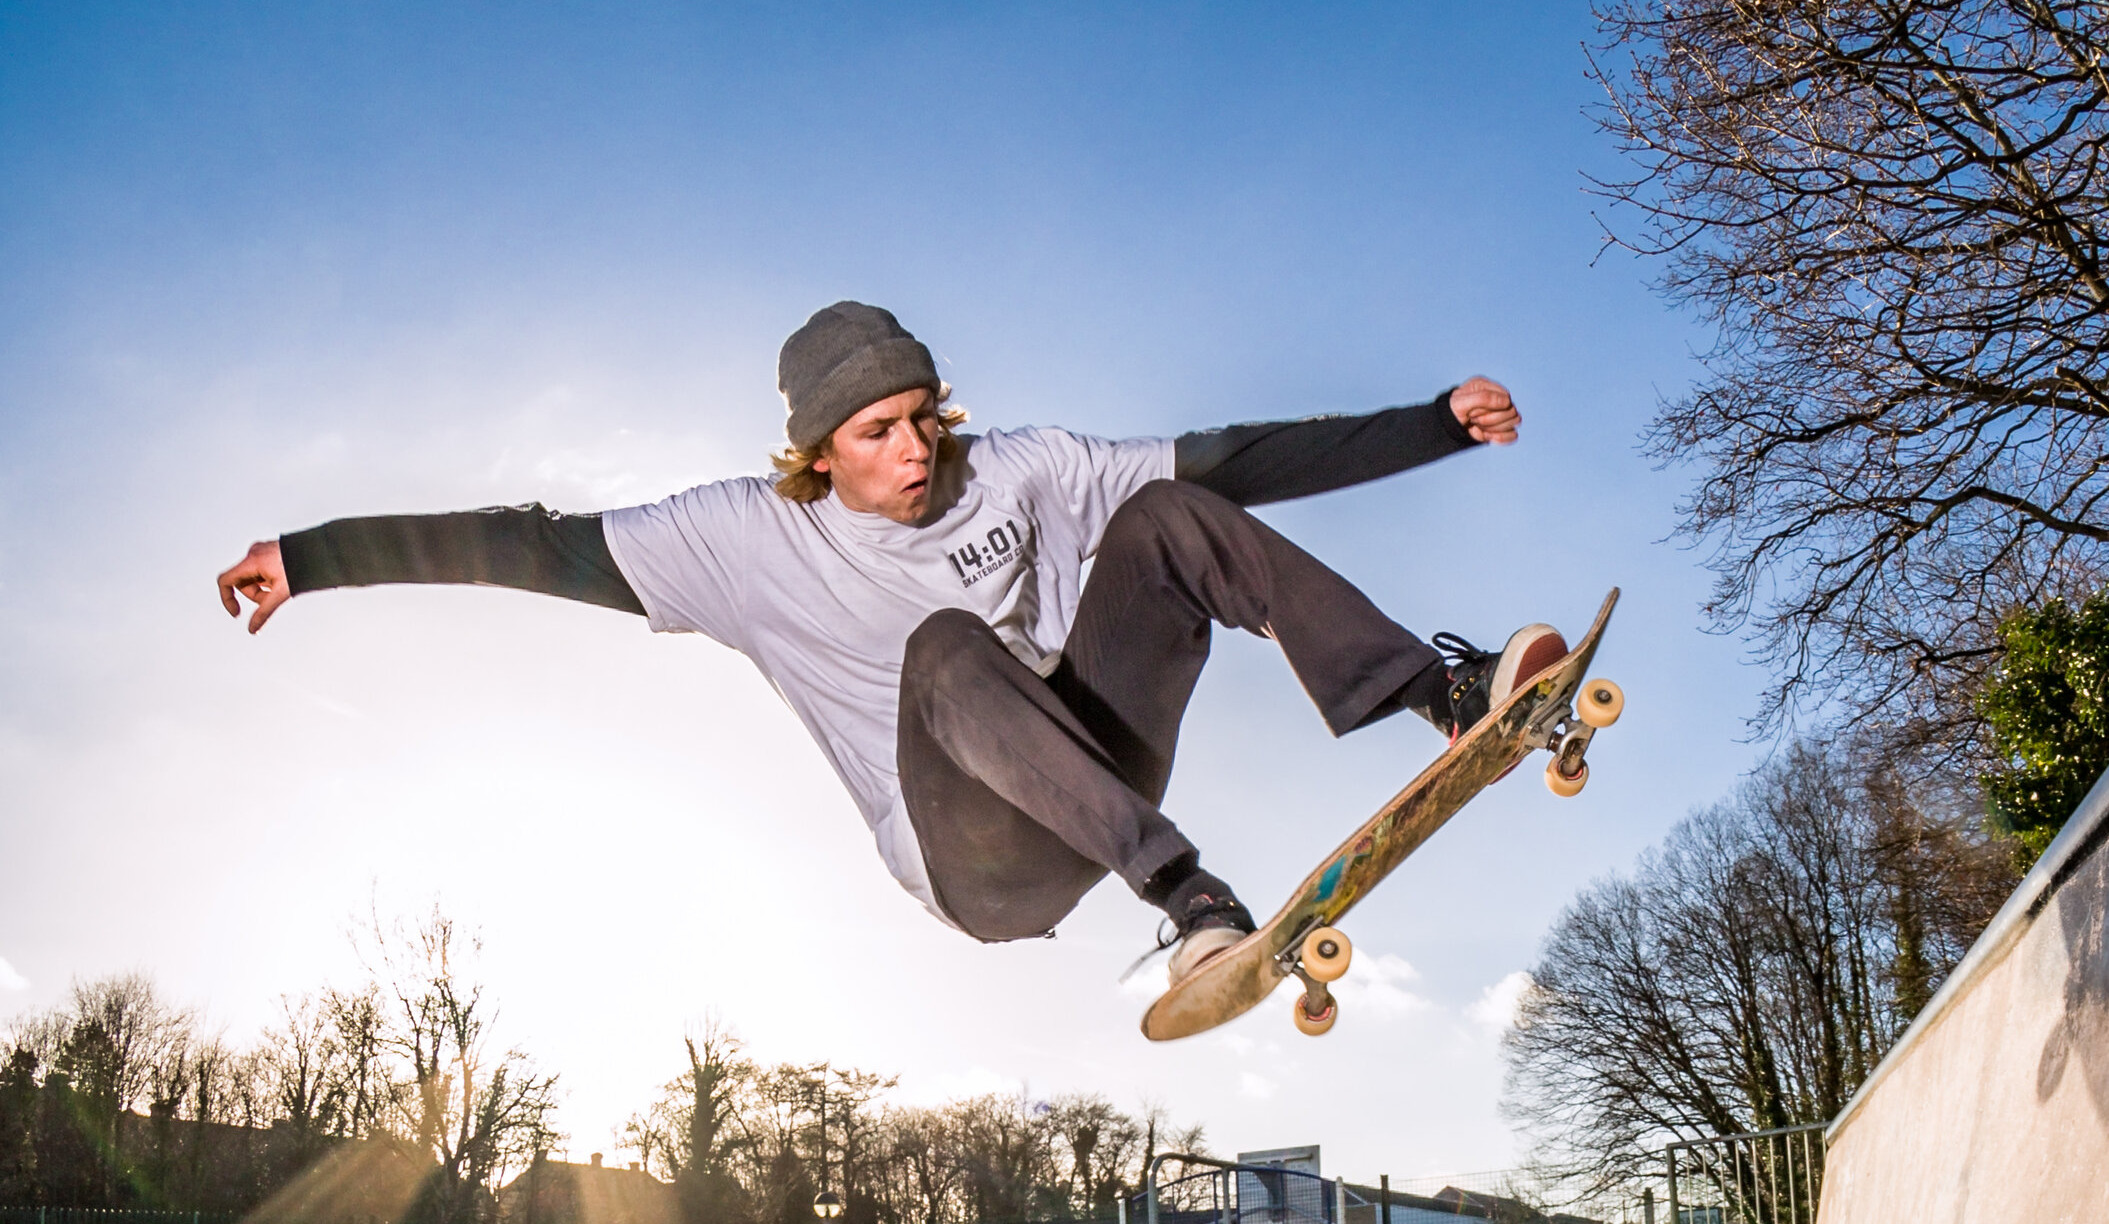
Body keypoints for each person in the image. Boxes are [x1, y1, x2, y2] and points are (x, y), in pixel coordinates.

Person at [216, 300, 1563, 989]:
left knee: (1165, 514)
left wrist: (1434, 421)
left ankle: (1439, 694)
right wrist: (314, 558)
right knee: (944, 647)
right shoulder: (735, 539)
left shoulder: (1020, 467)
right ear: (814, 452)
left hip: (1092, 759)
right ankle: (1195, 908)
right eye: (878, 434)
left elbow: (1234, 462)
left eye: (926, 419)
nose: (916, 453)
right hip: (977, 858)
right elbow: (532, 543)